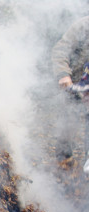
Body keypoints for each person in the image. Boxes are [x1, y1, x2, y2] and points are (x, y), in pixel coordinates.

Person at [51, 15, 89, 161]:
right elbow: (61, 50)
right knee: (68, 127)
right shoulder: (83, 26)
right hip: (75, 84)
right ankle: (63, 163)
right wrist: (63, 75)